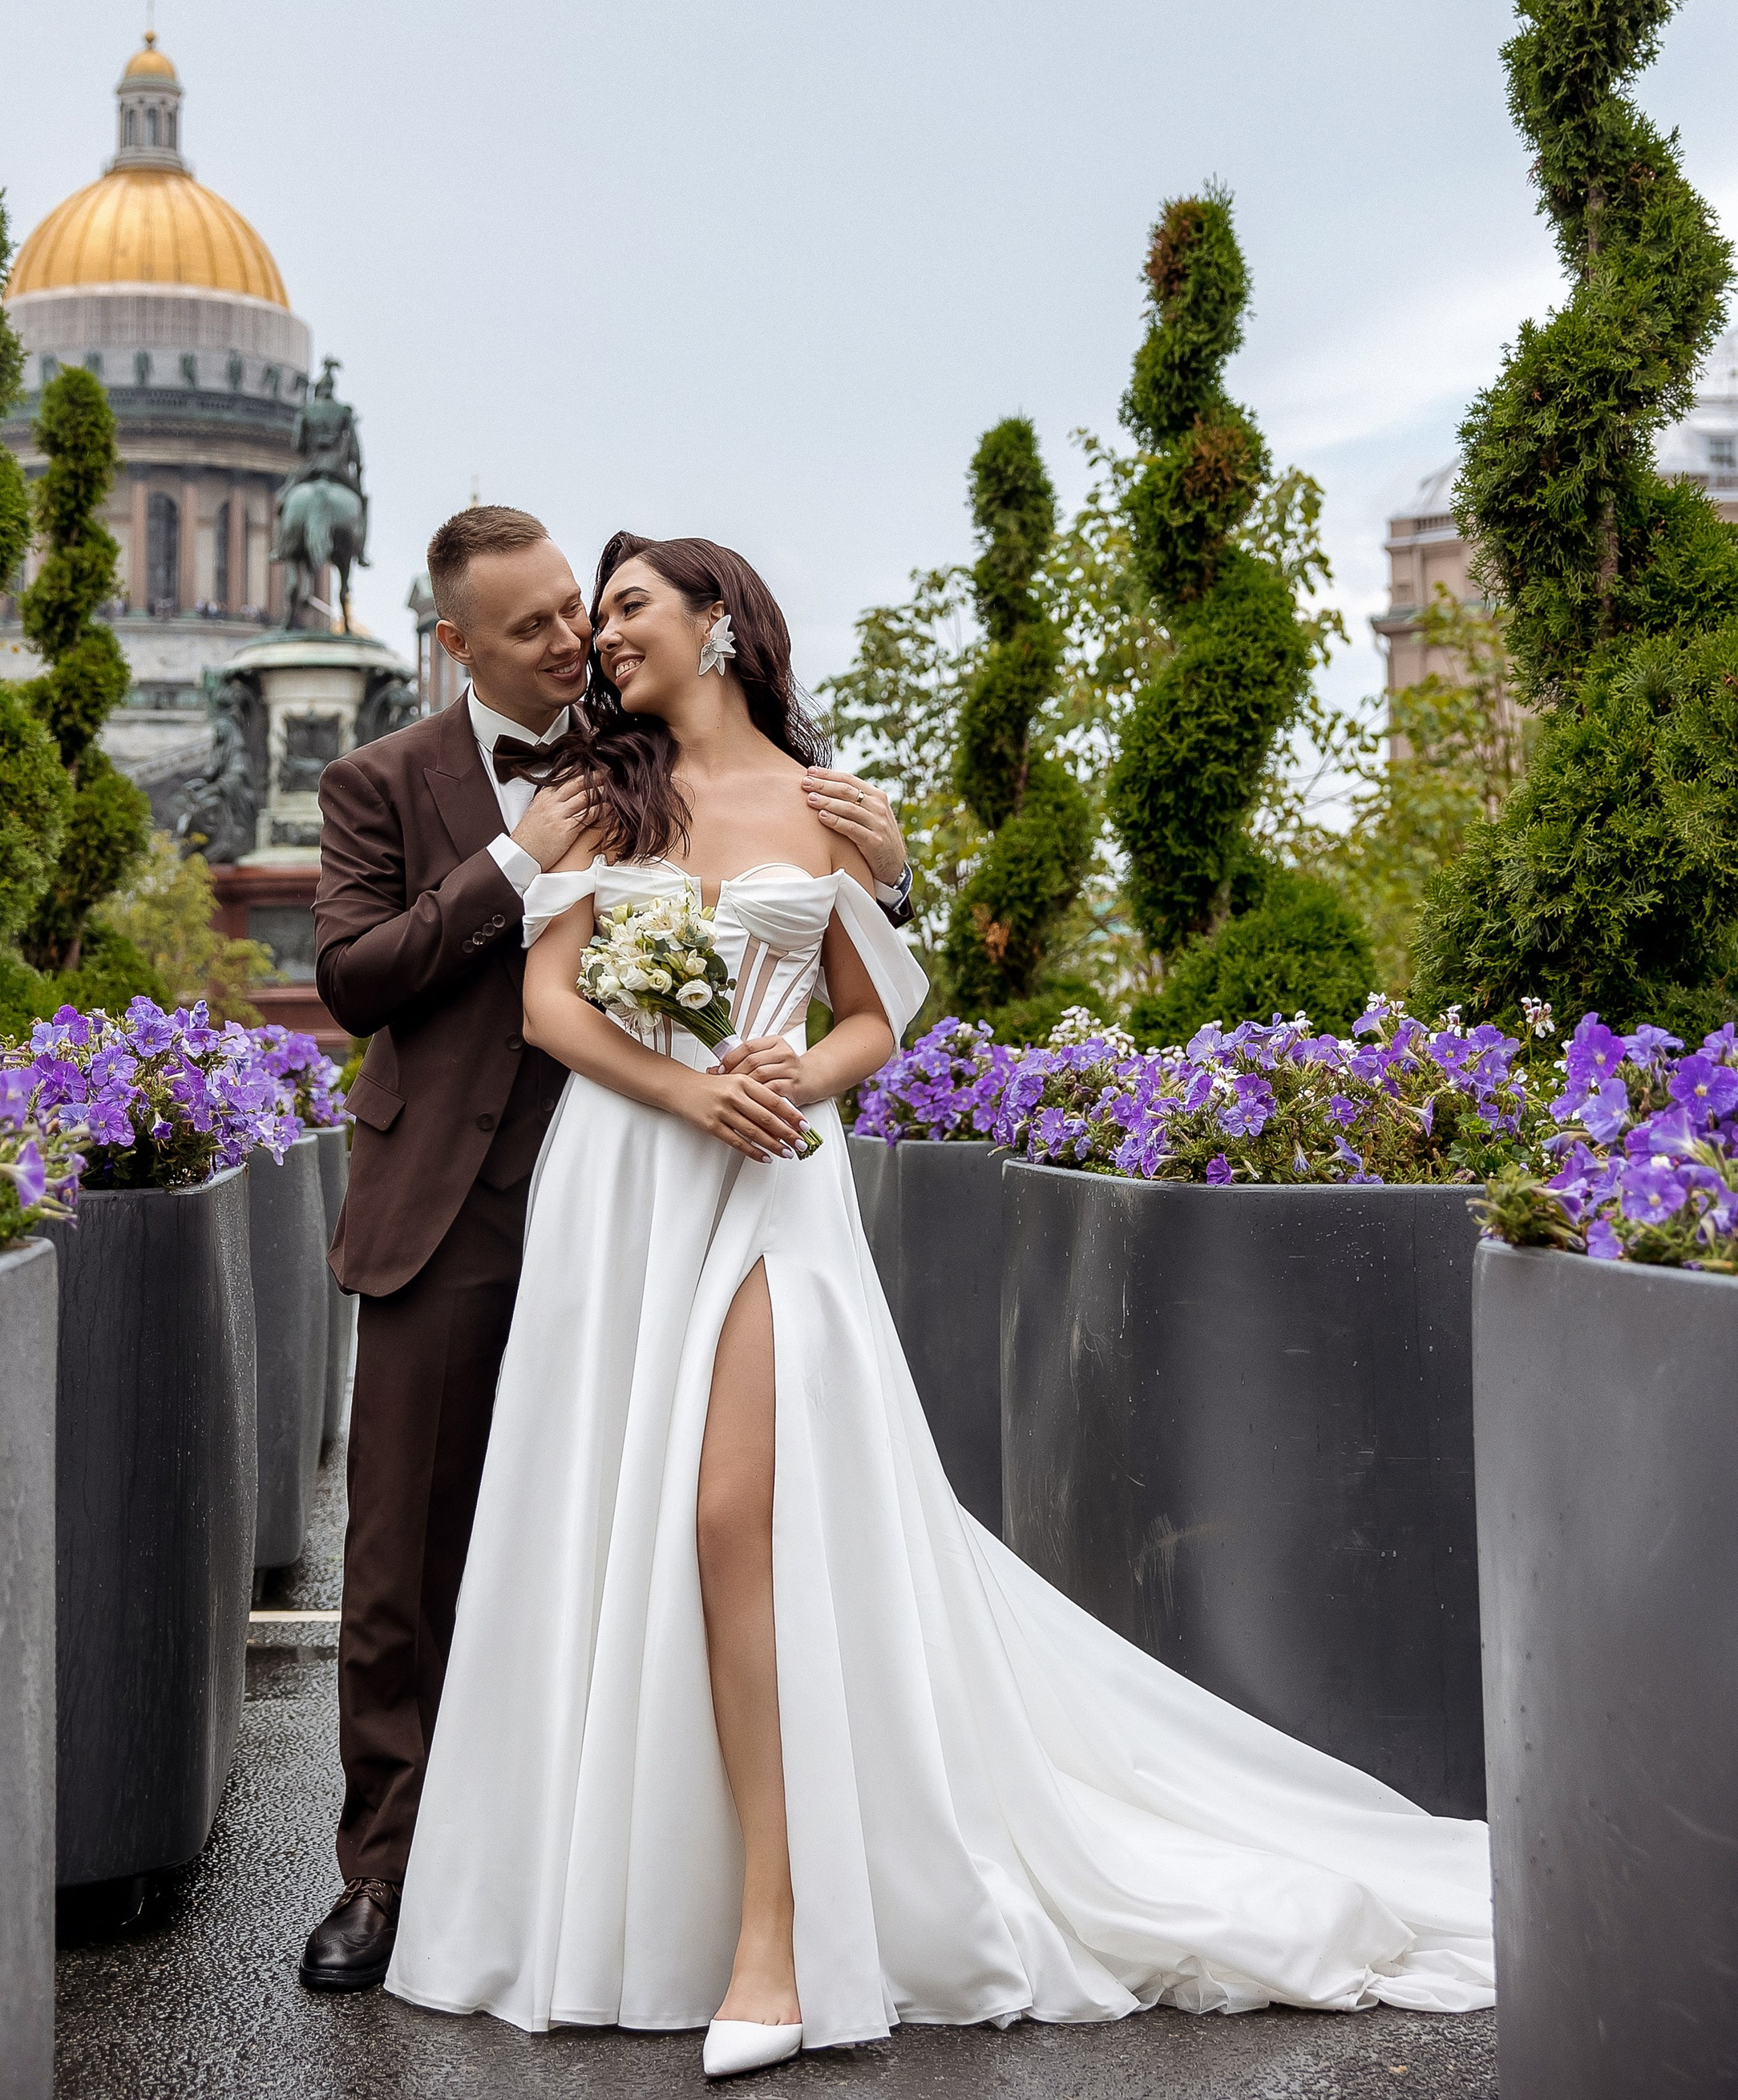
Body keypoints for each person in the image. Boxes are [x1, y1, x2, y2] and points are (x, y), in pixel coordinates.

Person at [383, 532, 1493, 2075]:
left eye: (628, 607)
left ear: (717, 625)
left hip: (777, 1191)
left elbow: (872, 1016)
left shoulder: (831, 813)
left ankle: (776, 1937)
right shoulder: (596, 795)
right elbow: (547, 999)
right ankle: (635, 1903)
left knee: (725, 1517)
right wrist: (689, 1094)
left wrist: (792, 1081)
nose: (599, 638)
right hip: (627, 1184)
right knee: (619, 1526)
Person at [300, 507, 911, 1992]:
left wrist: (896, 880)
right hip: (461, 1204)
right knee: (406, 1556)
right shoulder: (385, 782)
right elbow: (354, 978)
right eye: (536, 629)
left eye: (583, 609)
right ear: (455, 648)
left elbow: (820, 919)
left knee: (633, 1530)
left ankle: (624, 1856)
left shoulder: (631, 745)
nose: (575, 642)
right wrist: (514, 862)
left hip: (651, 1202)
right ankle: (386, 1876)